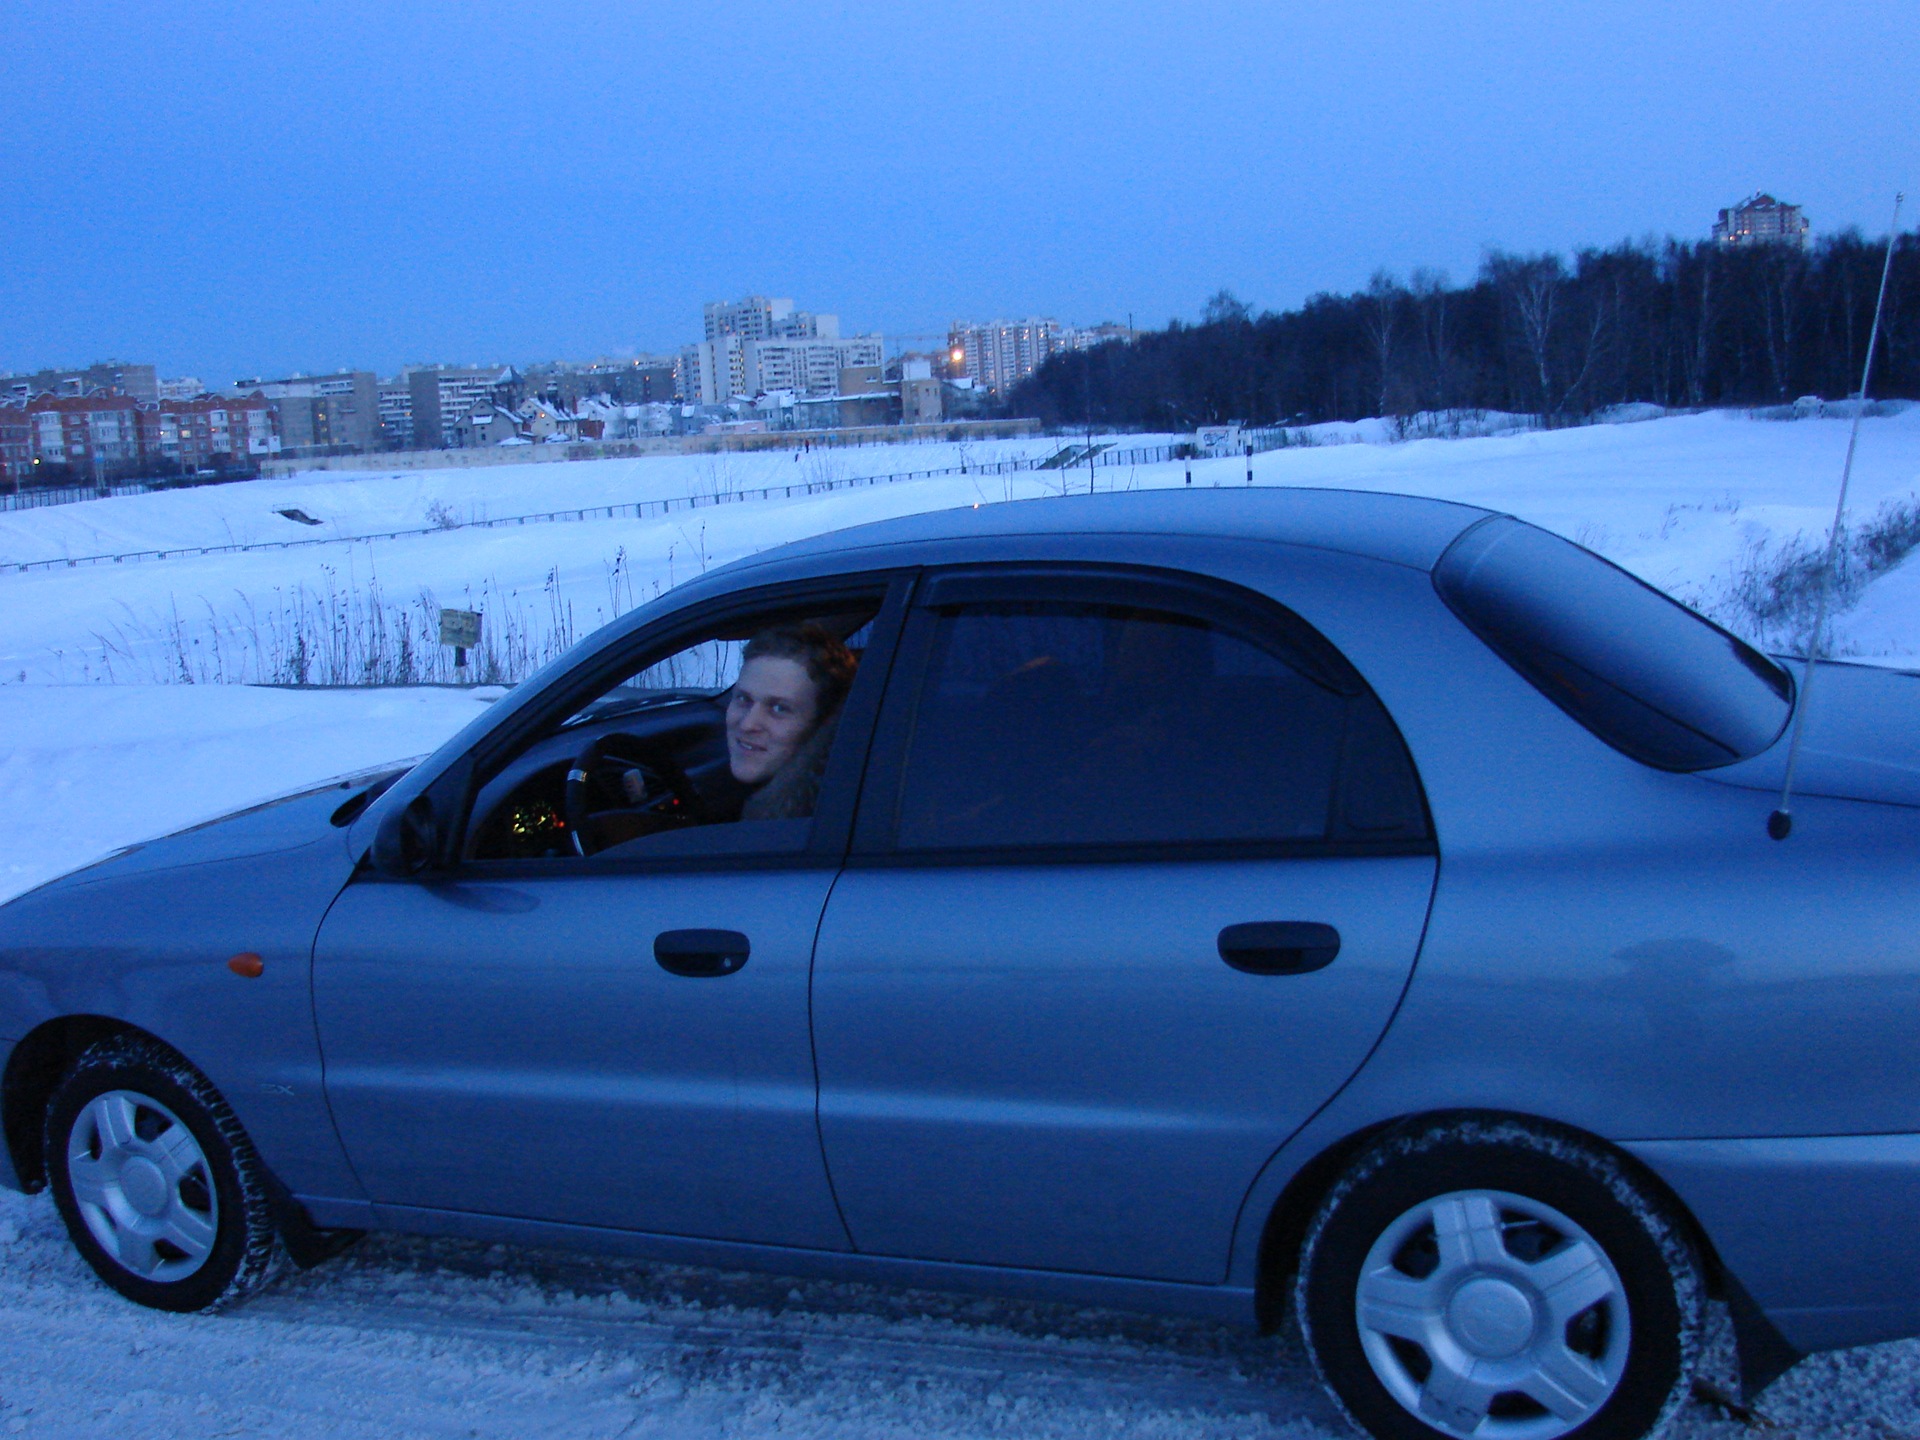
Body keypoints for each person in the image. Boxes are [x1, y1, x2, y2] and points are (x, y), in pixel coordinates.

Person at [623, 622, 856, 822]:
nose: (747, 724)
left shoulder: (796, 831)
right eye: (744, 699)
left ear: (822, 724)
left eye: (779, 708)